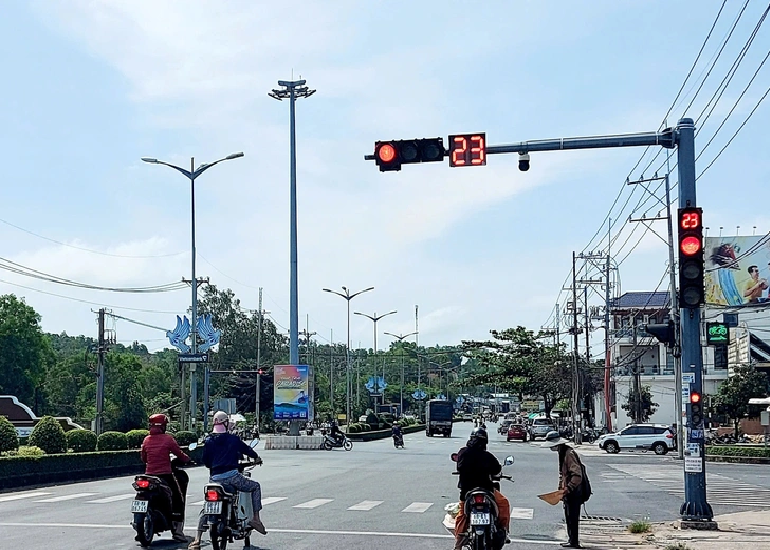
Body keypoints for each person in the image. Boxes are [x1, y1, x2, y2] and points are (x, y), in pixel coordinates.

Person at [188, 411, 266, 550]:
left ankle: (197, 540)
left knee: (207, 506)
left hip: (214, 480)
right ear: (225, 423)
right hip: (232, 477)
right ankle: (256, 518)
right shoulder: (233, 439)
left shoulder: (208, 440)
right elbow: (247, 449)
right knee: (255, 487)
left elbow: (205, 460)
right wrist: (256, 457)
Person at [453, 427, 511, 550]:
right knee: (504, 503)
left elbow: (459, 467)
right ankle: (504, 531)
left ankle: (458, 542)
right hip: (486, 490)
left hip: (467, 491)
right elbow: (497, 470)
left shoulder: (463, 452)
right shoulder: (487, 456)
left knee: (462, 515)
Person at [140, 413, 191, 543]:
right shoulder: (168, 439)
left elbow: (143, 458)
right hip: (164, 475)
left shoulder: (146, 440)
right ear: (163, 426)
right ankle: (178, 532)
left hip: (149, 475)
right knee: (178, 499)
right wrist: (187, 459)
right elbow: (179, 454)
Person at [541, 430, 584, 549]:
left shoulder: (568, 454)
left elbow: (577, 475)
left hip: (574, 491)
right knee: (569, 516)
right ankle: (571, 540)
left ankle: (574, 541)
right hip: (568, 491)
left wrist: (568, 488)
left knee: (573, 517)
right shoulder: (562, 453)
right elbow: (563, 474)